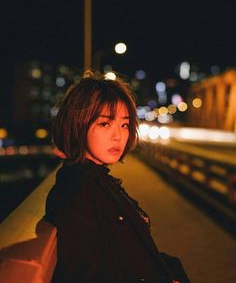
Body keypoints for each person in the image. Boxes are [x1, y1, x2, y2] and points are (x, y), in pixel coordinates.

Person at [45, 70, 190, 283]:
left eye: (124, 124)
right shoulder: (76, 193)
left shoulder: (97, 181)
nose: (118, 135)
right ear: (77, 124)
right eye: (105, 123)